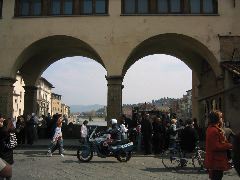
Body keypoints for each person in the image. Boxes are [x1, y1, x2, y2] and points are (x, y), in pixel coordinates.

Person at [205, 110, 232, 180]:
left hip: (217, 160)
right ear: (216, 119)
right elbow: (215, 146)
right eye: (221, 117)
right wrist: (229, 145)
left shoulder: (214, 129)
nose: (222, 119)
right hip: (215, 161)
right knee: (216, 177)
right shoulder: (213, 130)